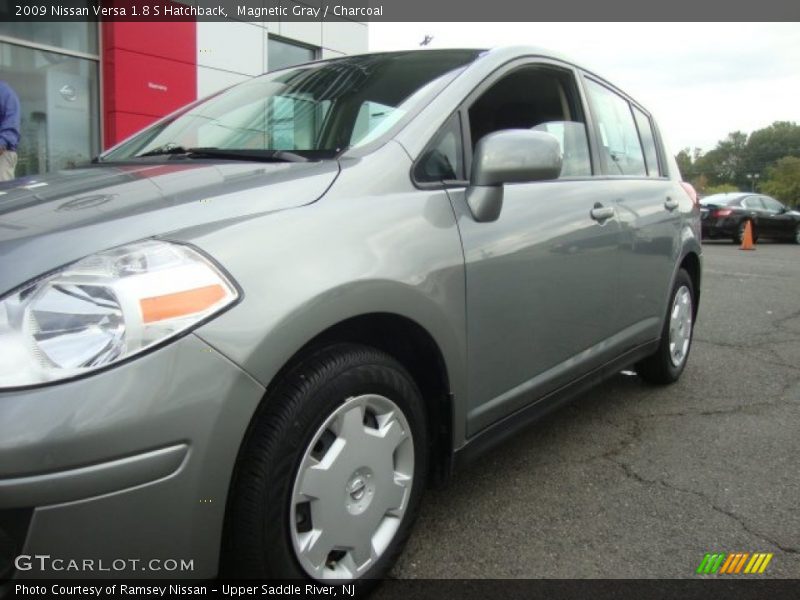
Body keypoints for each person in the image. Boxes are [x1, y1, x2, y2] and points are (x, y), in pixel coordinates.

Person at [0, 80, 20, 181]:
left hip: (2, 155)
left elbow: (11, 126)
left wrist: (1, 143)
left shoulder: (4, 92)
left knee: (3, 195)